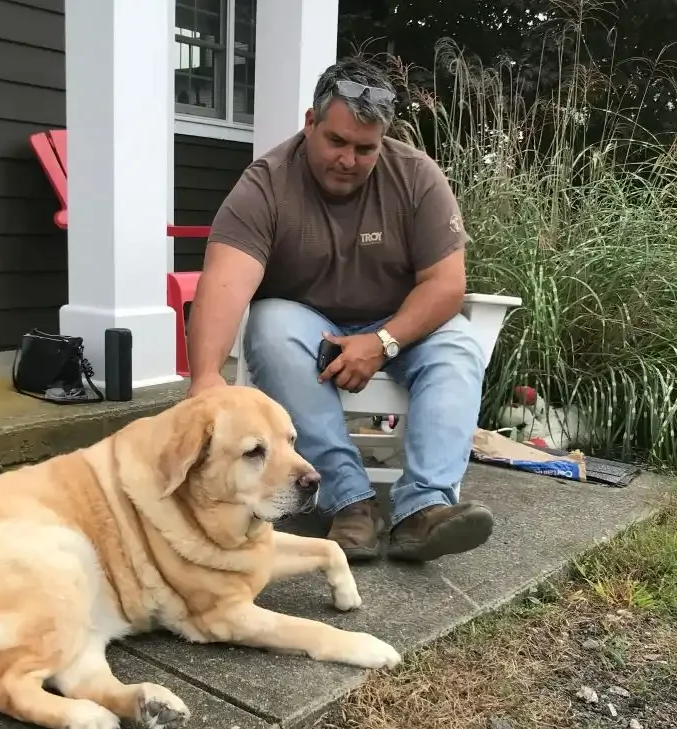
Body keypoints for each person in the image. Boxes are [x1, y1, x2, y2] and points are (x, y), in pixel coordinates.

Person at [185, 57, 493, 564]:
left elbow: (446, 286)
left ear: (384, 140)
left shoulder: (417, 177)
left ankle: (424, 510)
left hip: (400, 325)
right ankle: (348, 500)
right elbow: (224, 282)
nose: (348, 159)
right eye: (336, 142)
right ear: (310, 123)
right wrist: (204, 379)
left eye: (365, 149)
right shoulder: (265, 184)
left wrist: (383, 342)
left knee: (458, 344)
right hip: (309, 327)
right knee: (270, 323)